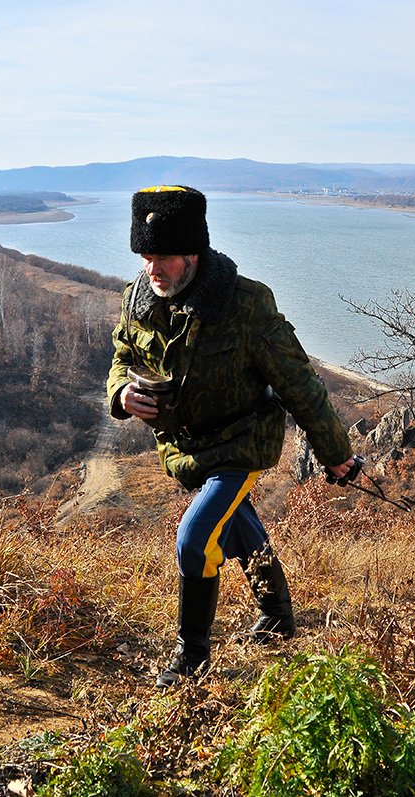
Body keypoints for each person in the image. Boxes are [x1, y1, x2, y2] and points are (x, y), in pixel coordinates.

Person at [108, 185, 357, 688]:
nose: (153, 270)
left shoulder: (246, 303)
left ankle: (192, 657)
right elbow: (122, 357)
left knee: (195, 539)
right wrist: (121, 394)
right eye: (147, 258)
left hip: (242, 443)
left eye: (165, 258)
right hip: (183, 448)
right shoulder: (138, 299)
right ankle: (277, 614)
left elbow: (299, 384)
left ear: (193, 253)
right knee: (239, 522)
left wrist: (336, 454)